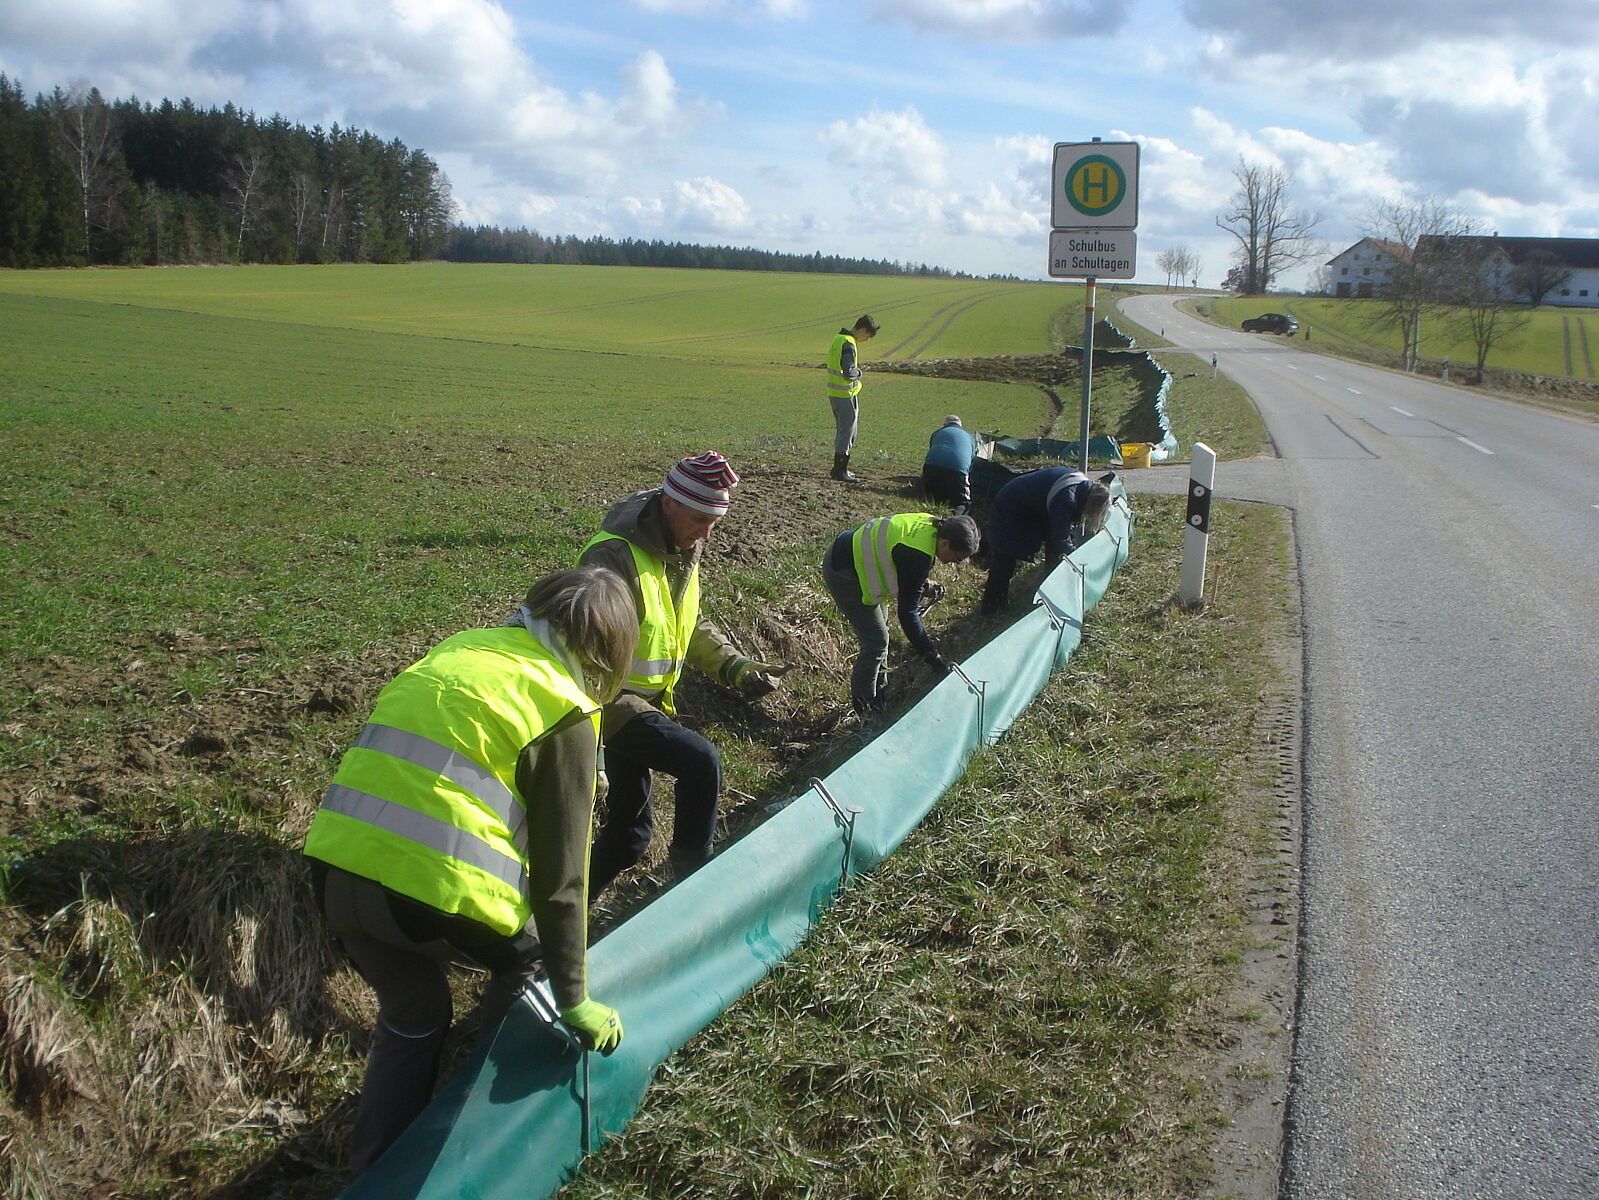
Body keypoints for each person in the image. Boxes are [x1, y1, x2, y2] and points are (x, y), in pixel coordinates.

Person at [303, 566, 637, 1175]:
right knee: (527, 972)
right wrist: (574, 998)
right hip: (424, 892)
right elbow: (563, 880)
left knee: (415, 1016)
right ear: (607, 649)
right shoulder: (561, 708)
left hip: (333, 875)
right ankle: (472, 1143)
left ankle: (376, 1169)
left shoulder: (462, 648)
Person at [576, 451, 785, 898]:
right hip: (609, 701)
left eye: (714, 522)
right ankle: (693, 888)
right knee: (700, 762)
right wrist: (589, 745)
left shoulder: (682, 548)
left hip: (642, 702)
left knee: (629, 837)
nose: (706, 533)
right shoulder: (614, 557)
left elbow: (682, 621)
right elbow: (583, 649)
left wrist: (735, 665)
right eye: (699, 519)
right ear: (669, 503)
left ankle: (561, 911)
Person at [821, 511, 981, 713]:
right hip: (843, 572)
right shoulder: (919, 555)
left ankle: (881, 695)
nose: (955, 563)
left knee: (882, 635)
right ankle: (865, 708)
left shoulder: (931, 525)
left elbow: (898, 559)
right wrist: (932, 657)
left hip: (858, 561)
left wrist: (923, 585)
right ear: (946, 543)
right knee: (876, 642)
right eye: (958, 558)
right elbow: (907, 614)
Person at [980, 467, 1111, 615]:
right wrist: (1078, 561)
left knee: (1054, 550)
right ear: (1092, 503)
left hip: (1027, 505)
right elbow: (1060, 539)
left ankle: (1049, 592)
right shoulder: (1067, 499)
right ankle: (992, 608)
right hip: (1011, 507)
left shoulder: (1080, 487)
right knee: (1006, 556)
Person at [826, 314, 880, 482]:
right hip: (845, 394)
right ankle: (839, 470)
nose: (867, 339)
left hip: (835, 393)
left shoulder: (838, 338)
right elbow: (849, 372)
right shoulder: (848, 343)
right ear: (863, 330)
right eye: (868, 336)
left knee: (845, 431)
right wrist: (859, 373)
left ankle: (840, 469)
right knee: (847, 432)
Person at [922, 414, 978, 512]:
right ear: (960, 425)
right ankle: (956, 522)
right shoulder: (970, 438)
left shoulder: (937, 433)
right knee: (963, 503)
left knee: (933, 497)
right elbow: (971, 462)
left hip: (930, 470)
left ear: (944, 425)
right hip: (957, 472)